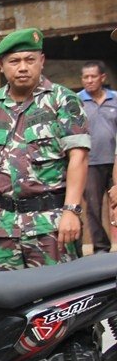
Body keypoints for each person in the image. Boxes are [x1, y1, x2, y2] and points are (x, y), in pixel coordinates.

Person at [0, 27, 89, 272]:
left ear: (42, 61)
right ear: (1, 66)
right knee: (0, 300)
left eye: (30, 60)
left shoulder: (63, 100)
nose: (22, 67)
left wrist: (71, 210)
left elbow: (78, 157)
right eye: (14, 61)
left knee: (56, 302)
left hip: (50, 223)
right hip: (0, 224)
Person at [77, 60, 116, 254]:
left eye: (93, 76)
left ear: (103, 78)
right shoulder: (76, 102)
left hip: (116, 161)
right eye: (86, 77)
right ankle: (101, 249)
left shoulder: (115, 99)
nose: (89, 80)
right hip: (91, 163)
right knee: (93, 208)